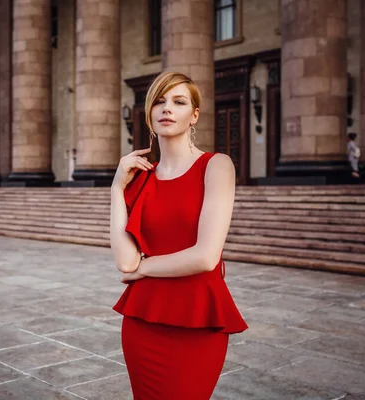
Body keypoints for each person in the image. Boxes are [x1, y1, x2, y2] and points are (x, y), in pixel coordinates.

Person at [109, 71, 248, 399]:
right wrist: (117, 188)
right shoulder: (141, 178)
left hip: (197, 320)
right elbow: (125, 260)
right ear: (149, 115)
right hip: (143, 322)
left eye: (178, 101)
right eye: (158, 102)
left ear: (194, 115)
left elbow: (205, 256)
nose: (166, 109)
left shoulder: (216, 166)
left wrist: (144, 269)